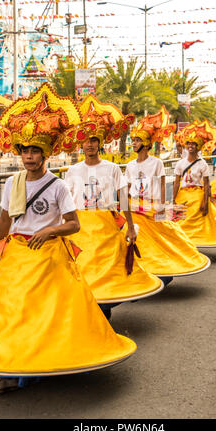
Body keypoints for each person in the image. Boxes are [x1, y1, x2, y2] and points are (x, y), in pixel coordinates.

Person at [0, 83, 136, 394]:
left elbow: (73, 225)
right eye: (25, 151)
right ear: (19, 153)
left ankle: (32, 367)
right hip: (16, 255)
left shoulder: (58, 186)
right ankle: (6, 366)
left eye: (35, 151)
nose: (30, 157)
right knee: (7, 310)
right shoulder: (12, 182)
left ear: (45, 154)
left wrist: (49, 230)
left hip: (48, 258)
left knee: (44, 315)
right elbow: (4, 219)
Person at [65, 96, 163, 318]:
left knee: (107, 269)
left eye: (94, 140)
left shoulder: (111, 169)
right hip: (81, 228)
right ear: (81, 143)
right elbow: (68, 202)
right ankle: (88, 311)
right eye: (86, 140)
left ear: (100, 143)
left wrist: (130, 226)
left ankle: (104, 309)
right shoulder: (73, 171)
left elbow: (124, 198)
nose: (90, 145)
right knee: (84, 269)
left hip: (107, 227)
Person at [125, 111, 210, 278]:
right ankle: (141, 269)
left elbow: (162, 185)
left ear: (147, 143)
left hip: (152, 206)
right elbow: (127, 187)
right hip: (135, 208)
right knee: (137, 239)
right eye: (133, 140)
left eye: (137, 140)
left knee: (164, 236)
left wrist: (163, 207)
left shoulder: (156, 162)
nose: (134, 143)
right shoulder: (130, 165)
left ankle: (166, 266)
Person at [173, 128, 216, 247]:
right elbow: (176, 182)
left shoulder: (203, 164)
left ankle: (196, 240)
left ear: (198, 147)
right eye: (189, 144)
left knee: (197, 220)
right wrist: (173, 199)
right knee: (180, 220)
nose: (191, 146)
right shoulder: (180, 163)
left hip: (197, 196)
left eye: (194, 144)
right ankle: (182, 241)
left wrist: (206, 202)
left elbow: (206, 184)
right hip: (183, 195)